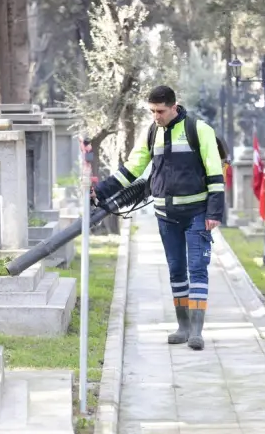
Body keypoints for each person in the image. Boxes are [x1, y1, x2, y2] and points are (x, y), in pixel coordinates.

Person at [92, 85, 225, 351]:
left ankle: (196, 331)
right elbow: (132, 168)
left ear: (174, 106)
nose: (156, 116)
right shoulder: (152, 133)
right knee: (176, 271)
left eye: (160, 111)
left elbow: (215, 173)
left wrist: (214, 212)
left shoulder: (199, 131)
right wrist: (102, 190)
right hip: (166, 216)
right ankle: (183, 326)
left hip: (197, 214)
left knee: (197, 269)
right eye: (152, 111)